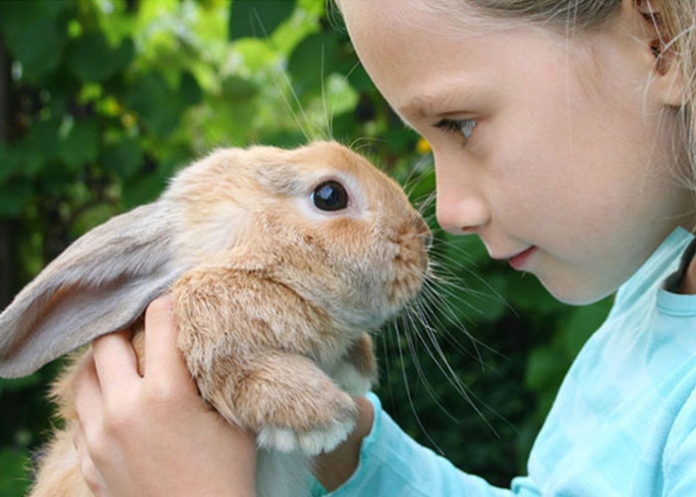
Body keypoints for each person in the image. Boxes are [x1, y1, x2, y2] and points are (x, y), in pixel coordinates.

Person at [71, 0, 696, 495]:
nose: (447, 212)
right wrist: (347, 451)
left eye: (460, 124)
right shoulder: (658, 285)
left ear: (656, 32)